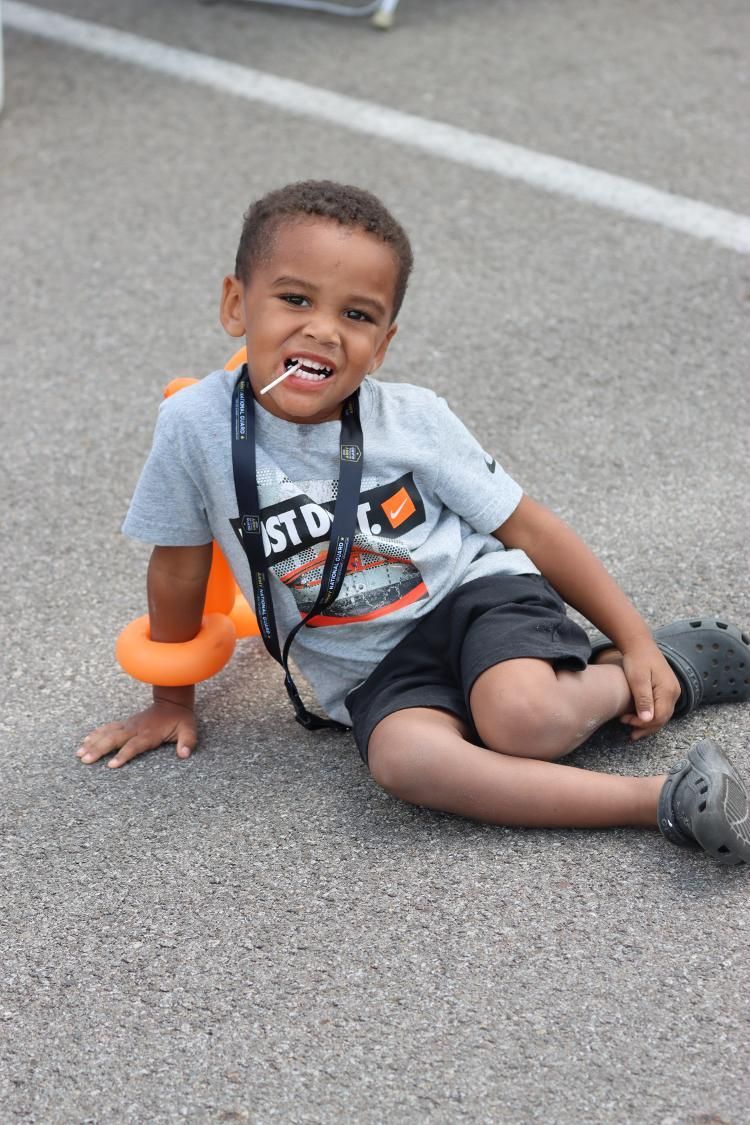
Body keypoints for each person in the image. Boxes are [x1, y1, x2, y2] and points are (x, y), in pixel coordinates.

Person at [78, 180, 750, 865]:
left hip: (473, 599)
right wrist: (170, 699)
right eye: (295, 298)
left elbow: (531, 529)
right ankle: (665, 797)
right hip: (371, 671)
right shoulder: (193, 426)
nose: (323, 328)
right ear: (234, 304)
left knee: (521, 720)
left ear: (383, 343)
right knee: (402, 762)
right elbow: (180, 564)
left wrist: (633, 638)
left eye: (358, 315)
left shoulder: (413, 419)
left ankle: (663, 664)